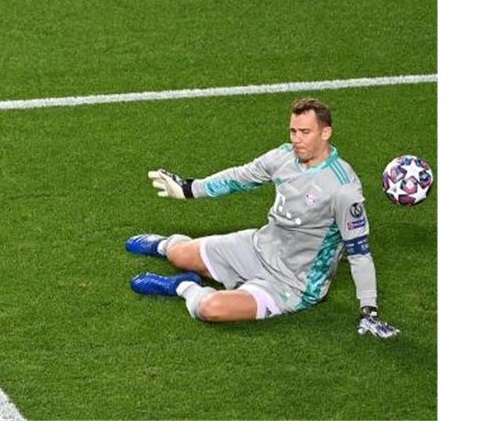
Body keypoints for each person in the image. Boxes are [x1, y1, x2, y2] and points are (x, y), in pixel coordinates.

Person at [125, 97, 400, 338]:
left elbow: (360, 253)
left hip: (291, 283)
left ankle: (182, 286)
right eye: (293, 131)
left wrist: (369, 311)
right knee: (178, 255)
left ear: (326, 132)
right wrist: (188, 189)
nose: (296, 139)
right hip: (258, 248)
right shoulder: (283, 157)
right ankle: (165, 245)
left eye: (305, 132)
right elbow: (240, 177)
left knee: (210, 308)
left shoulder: (343, 189)